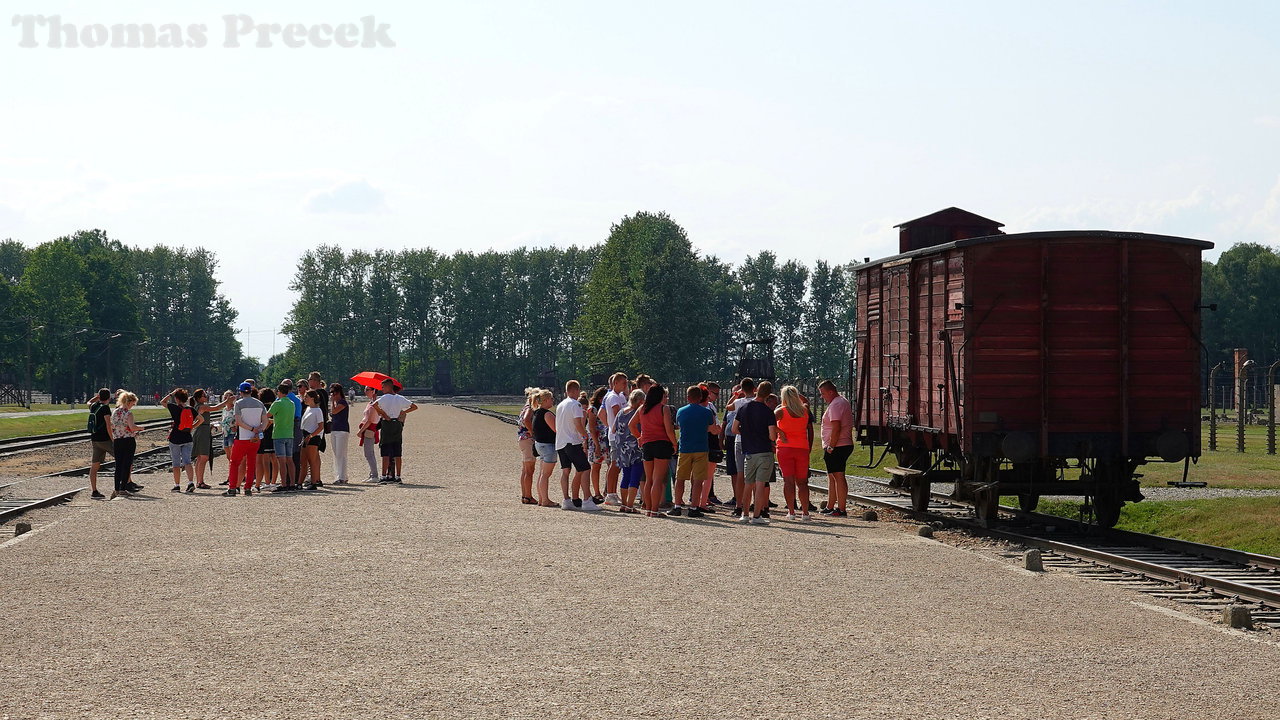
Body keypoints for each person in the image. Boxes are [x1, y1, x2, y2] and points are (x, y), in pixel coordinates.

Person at [732, 380, 778, 524]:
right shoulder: (768, 412)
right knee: (759, 485)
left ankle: (744, 514)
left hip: (749, 451)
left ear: (757, 390)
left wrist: (746, 434)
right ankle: (757, 516)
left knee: (748, 484)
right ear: (769, 395)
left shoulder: (743, 408)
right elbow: (772, 436)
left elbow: (734, 429)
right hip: (764, 451)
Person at [671, 385, 720, 518]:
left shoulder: (681, 411)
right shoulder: (706, 412)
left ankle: (677, 506)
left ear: (687, 397)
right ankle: (694, 506)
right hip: (701, 448)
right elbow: (711, 427)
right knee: (698, 480)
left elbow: (679, 425)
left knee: (680, 478)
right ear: (700, 398)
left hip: (685, 448)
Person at [630, 383, 676, 519]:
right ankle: (655, 509)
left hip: (647, 444)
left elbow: (631, 425)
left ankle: (649, 508)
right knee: (658, 479)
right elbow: (669, 429)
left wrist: (639, 436)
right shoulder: (664, 409)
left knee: (649, 479)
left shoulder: (641, 409)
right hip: (662, 443)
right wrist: (674, 443)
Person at [554, 380, 597, 510]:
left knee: (565, 471)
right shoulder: (576, 405)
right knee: (585, 469)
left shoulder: (560, 405)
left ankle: (566, 500)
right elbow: (578, 424)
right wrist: (585, 436)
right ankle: (587, 500)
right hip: (572, 441)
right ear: (576, 390)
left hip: (561, 442)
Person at [775, 385, 812, 521]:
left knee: (788, 481)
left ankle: (791, 511)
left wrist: (780, 432)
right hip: (802, 448)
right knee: (803, 483)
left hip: (785, 448)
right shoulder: (804, 410)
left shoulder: (780, 412)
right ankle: (805, 512)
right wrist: (798, 396)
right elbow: (806, 400)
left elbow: (769, 425)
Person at [819, 379, 854, 517]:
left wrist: (831, 446)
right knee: (832, 476)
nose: (822, 396)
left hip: (838, 445)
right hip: (838, 444)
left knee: (838, 476)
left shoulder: (836, 404)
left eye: (823, 393)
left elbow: (836, 427)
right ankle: (830, 505)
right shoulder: (840, 402)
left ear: (830, 391)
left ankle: (841, 508)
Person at [225, 381, 266, 497]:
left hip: (242, 438)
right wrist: (259, 430)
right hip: (255, 439)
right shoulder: (259, 403)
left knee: (234, 463)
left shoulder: (238, 403)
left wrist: (252, 429)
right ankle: (248, 488)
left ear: (240, 391)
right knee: (251, 463)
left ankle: (232, 487)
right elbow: (265, 421)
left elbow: (239, 422)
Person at [373, 378, 417, 483]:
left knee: (385, 451)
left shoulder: (384, 397)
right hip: (397, 423)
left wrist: (383, 413)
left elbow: (374, 405)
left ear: (388, 387)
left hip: (386, 423)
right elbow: (414, 406)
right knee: (397, 451)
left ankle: (383, 475)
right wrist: (403, 412)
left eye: (383, 387)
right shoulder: (400, 398)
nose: (382, 389)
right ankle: (398, 476)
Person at [109, 391, 148, 499]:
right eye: (133, 403)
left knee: (118, 465)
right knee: (127, 465)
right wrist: (141, 428)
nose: (133, 405)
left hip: (117, 440)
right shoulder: (128, 413)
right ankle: (123, 488)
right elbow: (131, 427)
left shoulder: (115, 412)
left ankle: (116, 488)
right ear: (129, 402)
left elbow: (114, 426)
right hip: (128, 441)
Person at [612, 389, 646, 513]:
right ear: (641, 401)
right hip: (635, 447)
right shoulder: (638, 413)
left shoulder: (621, 412)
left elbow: (613, 429)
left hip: (622, 447)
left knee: (626, 475)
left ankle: (624, 504)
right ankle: (630, 506)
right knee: (635, 476)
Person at [598, 372, 629, 506]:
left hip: (620, 435)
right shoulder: (612, 397)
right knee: (615, 464)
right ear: (616, 383)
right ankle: (610, 494)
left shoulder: (620, 396)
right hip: (616, 436)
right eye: (623, 383)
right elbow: (619, 415)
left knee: (618, 465)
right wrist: (611, 426)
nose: (625, 385)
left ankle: (612, 493)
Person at [191, 388, 230, 490]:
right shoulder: (202, 406)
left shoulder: (198, 406)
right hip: (202, 432)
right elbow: (216, 408)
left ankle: (199, 481)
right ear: (199, 398)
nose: (206, 397)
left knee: (200, 458)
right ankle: (200, 482)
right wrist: (227, 401)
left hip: (203, 430)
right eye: (204, 395)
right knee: (203, 457)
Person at [160, 388, 197, 493]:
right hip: (187, 437)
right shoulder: (190, 409)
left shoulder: (174, 408)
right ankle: (190, 483)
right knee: (187, 461)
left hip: (175, 438)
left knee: (176, 463)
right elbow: (201, 419)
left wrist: (171, 393)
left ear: (176, 398)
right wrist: (192, 427)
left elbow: (162, 402)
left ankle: (177, 485)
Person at [267, 382, 298, 492]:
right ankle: (293, 483)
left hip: (279, 434)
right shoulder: (291, 403)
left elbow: (267, 415)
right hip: (289, 433)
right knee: (290, 460)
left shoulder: (277, 403)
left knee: (282, 461)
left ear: (278, 392)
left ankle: (284, 483)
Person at [530, 389, 558, 507]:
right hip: (548, 446)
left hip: (540, 445)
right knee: (546, 474)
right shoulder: (547, 414)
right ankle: (545, 500)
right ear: (546, 400)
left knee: (542, 473)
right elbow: (556, 429)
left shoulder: (537, 413)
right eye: (551, 399)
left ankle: (542, 499)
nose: (553, 401)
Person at [87, 388, 114, 499]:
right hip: (105, 440)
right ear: (109, 397)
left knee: (95, 465)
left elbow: (88, 402)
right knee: (123, 459)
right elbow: (108, 425)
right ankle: (124, 485)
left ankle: (94, 490)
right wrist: (113, 439)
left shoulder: (94, 406)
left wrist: (96, 397)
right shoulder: (105, 408)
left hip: (95, 439)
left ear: (99, 396)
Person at [586, 386, 609, 505]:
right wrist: (596, 445)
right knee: (596, 466)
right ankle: (597, 492)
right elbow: (591, 427)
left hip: (606, 439)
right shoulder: (593, 409)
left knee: (611, 465)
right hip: (597, 440)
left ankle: (608, 491)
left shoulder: (605, 408)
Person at [300, 389, 325, 490]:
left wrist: (311, 436)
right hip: (305, 435)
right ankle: (299, 482)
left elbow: (321, 426)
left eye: (306, 397)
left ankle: (314, 482)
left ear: (313, 398)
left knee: (312, 461)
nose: (305, 399)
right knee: (303, 461)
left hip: (313, 437)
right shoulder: (307, 409)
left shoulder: (317, 410)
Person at [516, 387, 538, 504]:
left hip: (522, 439)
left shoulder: (524, 407)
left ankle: (525, 495)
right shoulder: (530, 408)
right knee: (529, 470)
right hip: (528, 439)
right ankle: (528, 496)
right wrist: (532, 431)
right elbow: (526, 420)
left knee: (525, 469)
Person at [255, 388, 277, 493]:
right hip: (275, 434)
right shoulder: (274, 406)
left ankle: (267, 482)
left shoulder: (262, 408)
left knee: (266, 460)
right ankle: (273, 482)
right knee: (274, 459)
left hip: (265, 435)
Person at [356, 385, 380, 482]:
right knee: (369, 453)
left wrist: (360, 431)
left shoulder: (374, 403)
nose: (365, 391)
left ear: (373, 391)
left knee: (369, 453)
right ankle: (372, 473)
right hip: (368, 428)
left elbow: (370, 420)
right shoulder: (371, 403)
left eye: (367, 390)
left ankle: (374, 475)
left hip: (370, 429)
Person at [329, 383, 350, 484]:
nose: (332, 395)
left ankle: (342, 476)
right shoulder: (337, 403)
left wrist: (332, 402)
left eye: (334, 393)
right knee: (336, 453)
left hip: (342, 430)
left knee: (341, 453)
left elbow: (334, 412)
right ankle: (339, 475)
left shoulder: (343, 403)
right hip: (334, 429)